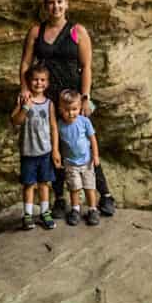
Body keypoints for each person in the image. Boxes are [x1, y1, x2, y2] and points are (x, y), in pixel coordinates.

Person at [18, 0, 117, 216]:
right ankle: (60, 199)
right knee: (55, 146)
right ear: (45, 6)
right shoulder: (36, 32)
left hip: (73, 97)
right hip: (49, 99)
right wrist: (25, 90)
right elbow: (25, 64)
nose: (56, 6)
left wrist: (85, 98)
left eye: (60, 2)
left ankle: (105, 195)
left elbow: (86, 66)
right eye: (51, 2)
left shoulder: (77, 31)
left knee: (83, 143)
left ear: (67, 4)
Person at [9, 65, 60, 231]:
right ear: (29, 81)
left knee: (44, 183)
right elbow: (15, 120)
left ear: (47, 83)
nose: (39, 83)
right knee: (29, 184)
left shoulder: (49, 103)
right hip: (28, 152)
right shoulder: (23, 99)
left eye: (43, 80)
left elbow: (53, 127)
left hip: (45, 151)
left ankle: (45, 212)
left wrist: (55, 150)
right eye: (35, 79)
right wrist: (25, 107)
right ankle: (28, 215)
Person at [54, 89, 100, 226]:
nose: (71, 113)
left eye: (74, 109)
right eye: (67, 110)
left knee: (89, 186)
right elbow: (57, 141)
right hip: (70, 163)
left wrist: (96, 156)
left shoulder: (84, 121)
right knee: (74, 188)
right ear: (60, 109)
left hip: (87, 161)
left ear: (80, 108)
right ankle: (75, 209)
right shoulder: (59, 124)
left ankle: (92, 209)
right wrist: (56, 154)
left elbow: (93, 139)